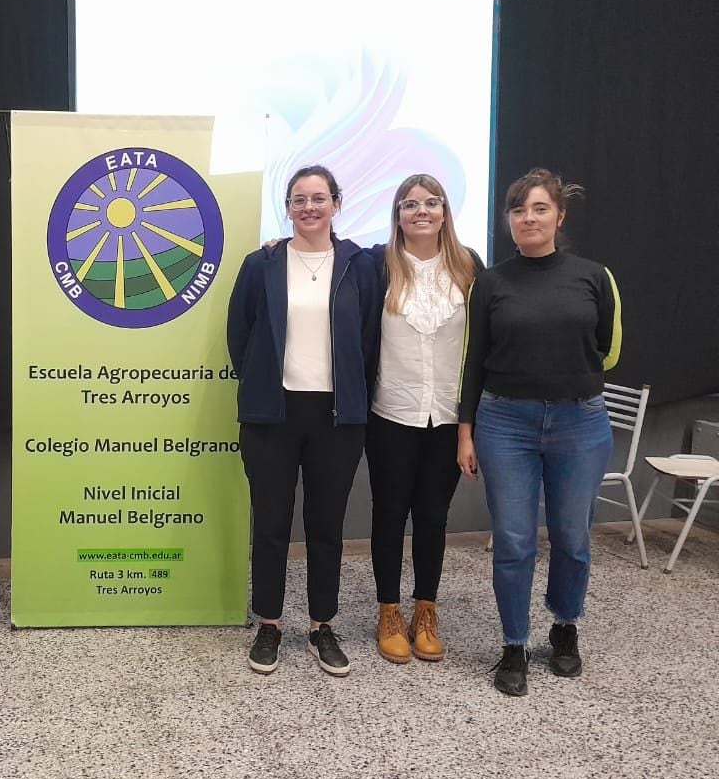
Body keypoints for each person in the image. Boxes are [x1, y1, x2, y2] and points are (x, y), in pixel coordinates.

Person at [457, 167, 621, 697]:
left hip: (580, 421)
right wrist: (466, 431)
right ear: (508, 219)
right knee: (513, 539)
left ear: (559, 215)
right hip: (505, 423)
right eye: (518, 210)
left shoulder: (594, 276)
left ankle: (565, 626)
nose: (528, 218)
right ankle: (514, 643)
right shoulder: (491, 283)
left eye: (539, 209)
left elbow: (606, 348)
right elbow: (473, 361)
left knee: (573, 537)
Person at [227, 165, 380, 677]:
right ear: (287, 207)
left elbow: (370, 340)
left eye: (319, 198)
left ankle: (321, 625)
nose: (309, 207)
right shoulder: (262, 263)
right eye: (298, 199)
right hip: (273, 414)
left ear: (337, 203)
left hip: (337, 418)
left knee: (326, 526)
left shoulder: (361, 266)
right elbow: (241, 337)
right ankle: (269, 623)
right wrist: (262, 384)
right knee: (270, 524)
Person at [365, 175, 482, 664]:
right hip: (391, 412)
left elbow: (481, 348)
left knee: (433, 517)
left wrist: (470, 426)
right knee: (390, 514)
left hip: (448, 417)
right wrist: (278, 244)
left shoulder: (469, 267)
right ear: (397, 215)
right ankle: (389, 610)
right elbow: (323, 252)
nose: (421, 211)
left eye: (430, 203)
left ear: (444, 211)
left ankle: (425, 611)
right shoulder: (377, 265)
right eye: (410, 204)